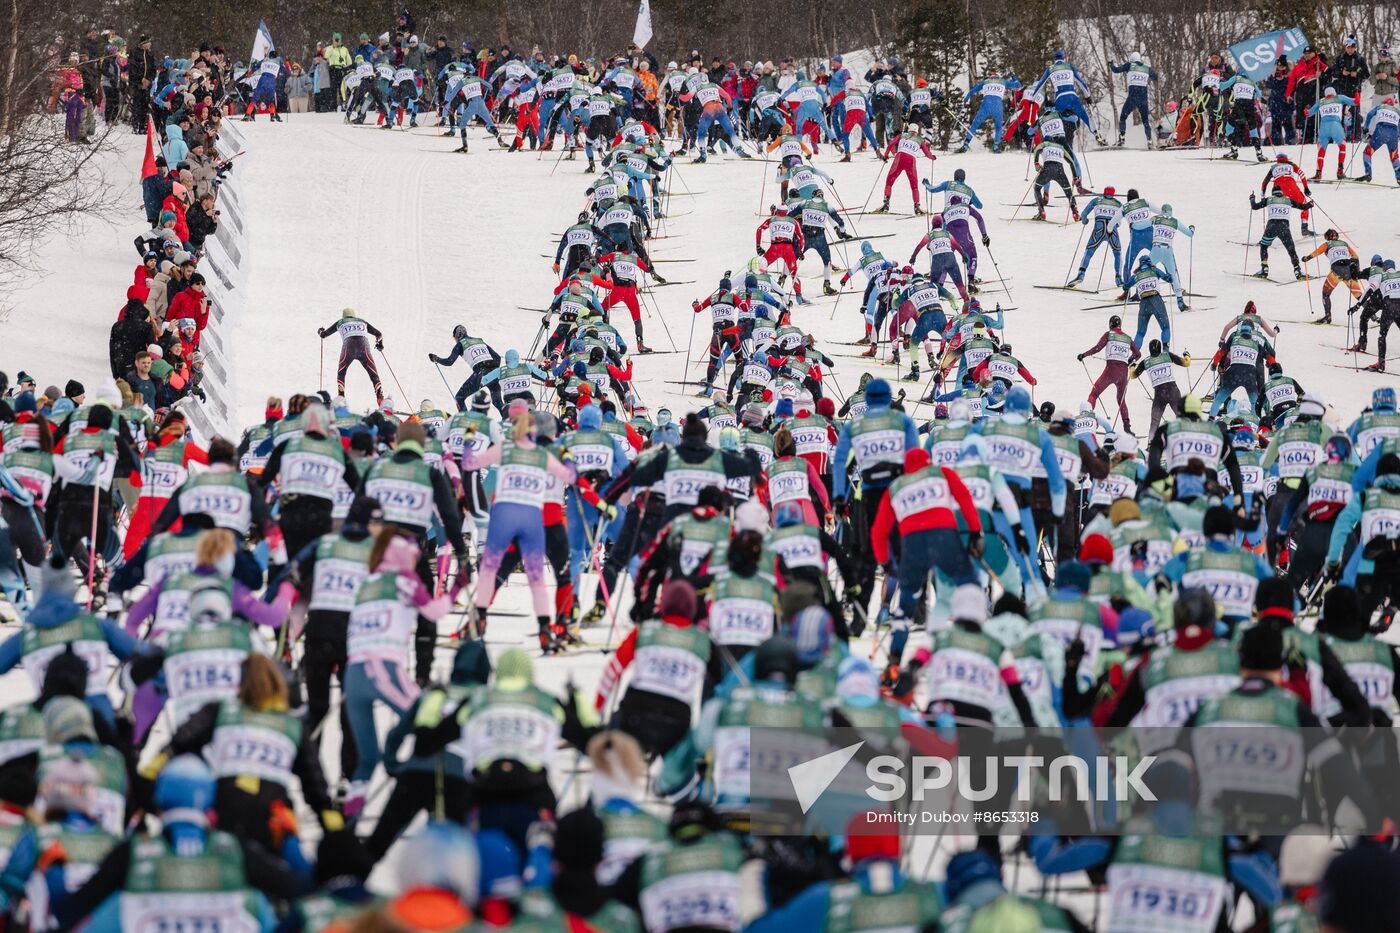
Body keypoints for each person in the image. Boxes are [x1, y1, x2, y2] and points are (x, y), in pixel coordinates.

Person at [317, 309, 384, 403]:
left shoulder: (340, 322)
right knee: (373, 374)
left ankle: (341, 399)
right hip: (363, 346)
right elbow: (379, 334)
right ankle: (380, 399)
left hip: (348, 346)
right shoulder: (362, 321)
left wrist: (320, 331)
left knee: (341, 373)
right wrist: (379, 345)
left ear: (344, 316)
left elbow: (323, 335)